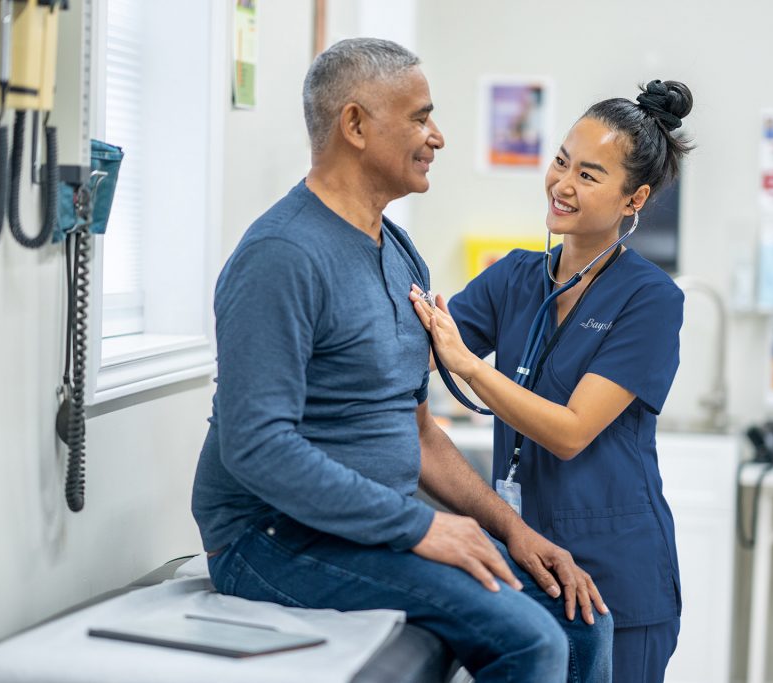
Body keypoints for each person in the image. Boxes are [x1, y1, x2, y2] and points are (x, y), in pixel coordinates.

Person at [192, 38, 612, 683]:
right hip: (271, 540)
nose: (436, 136)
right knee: (532, 642)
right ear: (355, 125)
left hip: (367, 530)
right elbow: (257, 447)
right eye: (419, 117)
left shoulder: (397, 249)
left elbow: (417, 432)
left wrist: (511, 529)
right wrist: (420, 527)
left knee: (582, 619)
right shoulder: (281, 257)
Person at [410, 79, 693, 683]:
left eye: (590, 176)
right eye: (562, 161)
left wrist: (467, 365)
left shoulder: (650, 299)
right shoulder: (514, 277)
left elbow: (569, 432)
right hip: (526, 562)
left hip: (617, 576)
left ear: (633, 199)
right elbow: (423, 345)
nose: (563, 184)